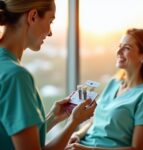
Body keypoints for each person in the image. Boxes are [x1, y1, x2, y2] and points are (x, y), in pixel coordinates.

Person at [0, 0, 97, 150]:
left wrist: (52, 118)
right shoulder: (16, 76)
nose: (50, 32)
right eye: (50, 21)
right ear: (32, 16)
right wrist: (73, 123)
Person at [65, 28, 143, 150]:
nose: (119, 51)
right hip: (81, 145)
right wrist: (78, 134)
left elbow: (138, 148)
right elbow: (95, 121)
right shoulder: (113, 83)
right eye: (119, 46)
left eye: (127, 48)